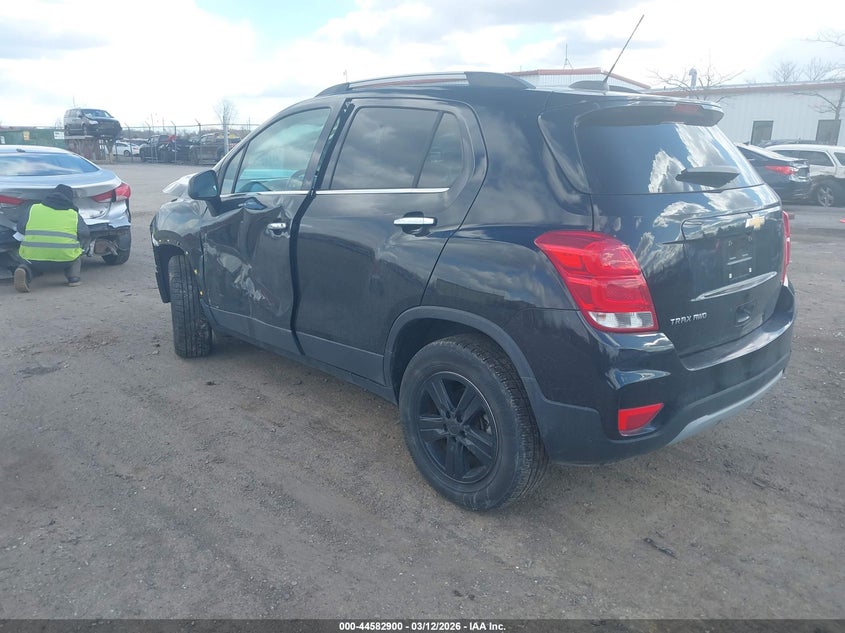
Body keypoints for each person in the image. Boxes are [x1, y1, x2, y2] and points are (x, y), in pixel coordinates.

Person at [13, 184, 90, 293]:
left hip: (33, 257)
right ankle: (73, 278)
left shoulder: (33, 208)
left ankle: (26, 271)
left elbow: (20, 228)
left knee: (27, 259)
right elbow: (85, 233)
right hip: (65, 259)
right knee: (75, 254)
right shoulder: (73, 214)